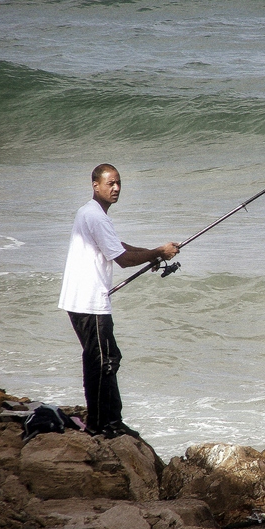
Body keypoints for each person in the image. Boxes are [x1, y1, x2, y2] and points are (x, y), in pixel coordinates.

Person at [58, 163, 179, 439]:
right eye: (110, 183)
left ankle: (109, 419)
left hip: (80, 300)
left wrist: (154, 253)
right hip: (89, 302)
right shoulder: (96, 216)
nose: (116, 188)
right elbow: (123, 260)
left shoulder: (90, 213)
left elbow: (119, 246)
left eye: (119, 183)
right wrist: (158, 252)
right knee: (104, 360)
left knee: (102, 358)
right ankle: (103, 424)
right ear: (95, 185)